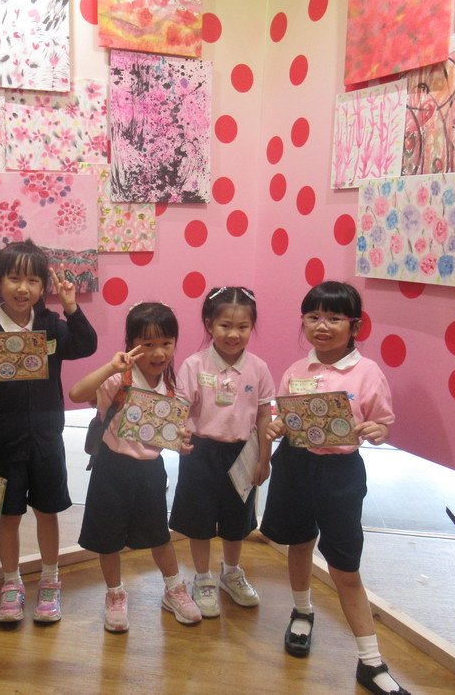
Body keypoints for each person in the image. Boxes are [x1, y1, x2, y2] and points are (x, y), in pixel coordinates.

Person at [261, 281, 409, 695]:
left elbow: (382, 422)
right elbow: (283, 415)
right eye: (313, 317)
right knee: (298, 543)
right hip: (294, 465)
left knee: (345, 566)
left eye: (334, 318)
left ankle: (370, 661)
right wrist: (276, 426)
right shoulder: (296, 370)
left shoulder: (368, 372)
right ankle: (302, 612)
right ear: (303, 322)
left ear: (354, 326)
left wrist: (377, 431)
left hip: (340, 472)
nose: (322, 326)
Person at [0, 239, 97, 624]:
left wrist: (71, 306)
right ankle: (11, 582)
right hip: (4, 445)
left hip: (47, 441)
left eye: (33, 281)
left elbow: (86, 345)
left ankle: (51, 580)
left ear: (42, 287)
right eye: (14, 279)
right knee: (7, 516)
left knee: (47, 511)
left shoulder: (50, 326)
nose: (23, 288)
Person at [69, 302, 202, 633]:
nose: (158, 352)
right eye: (148, 343)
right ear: (132, 343)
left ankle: (174, 589)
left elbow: (172, 432)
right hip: (111, 469)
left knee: (159, 535)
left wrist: (182, 441)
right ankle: (115, 594)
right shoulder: (118, 379)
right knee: (108, 539)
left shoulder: (172, 387)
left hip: (150, 471)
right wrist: (110, 366)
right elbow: (76, 393)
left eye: (166, 343)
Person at [169, 286, 275, 618]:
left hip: (243, 454)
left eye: (243, 326)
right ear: (209, 324)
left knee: (236, 520)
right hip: (200, 453)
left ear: (252, 326)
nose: (233, 334)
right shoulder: (193, 364)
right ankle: (202, 578)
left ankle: (231, 572)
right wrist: (178, 434)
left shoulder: (258, 368)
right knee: (199, 520)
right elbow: (180, 409)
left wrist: (264, 458)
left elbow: (264, 416)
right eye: (225, 325)